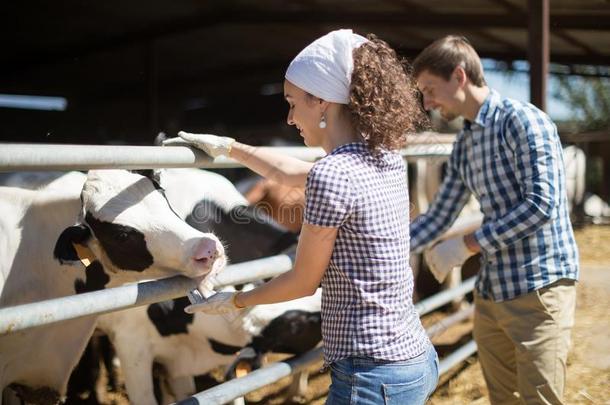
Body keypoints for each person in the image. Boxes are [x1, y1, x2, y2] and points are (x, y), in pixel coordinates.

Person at [171, 29, 438, 404]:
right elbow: (287, 172)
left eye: (294, 102)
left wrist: (234, 301)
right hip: (414, 358)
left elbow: (302, 281)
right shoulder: (384, 156)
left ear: (323, 103)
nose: (291, 116)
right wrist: (231, 148)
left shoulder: (334, 174)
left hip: (371, 374)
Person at [409, 35, 579, 405]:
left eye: (430, 90)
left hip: (540, 287)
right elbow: (439, 215)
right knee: (503, 399)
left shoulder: (524, 122)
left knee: (541, 399)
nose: (427, 103)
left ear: (459, 76)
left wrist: (467, 245)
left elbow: (542, 205)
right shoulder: (466, 143)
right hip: (492, 291)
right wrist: (387, 249)